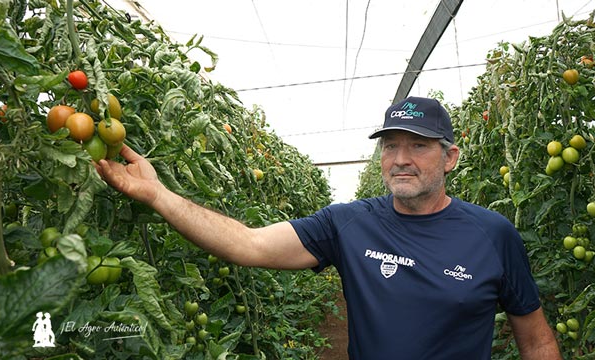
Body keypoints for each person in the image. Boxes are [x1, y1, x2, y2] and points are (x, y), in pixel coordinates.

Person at [95, 96, 562, 359]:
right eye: (390, 146)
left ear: (450, 157)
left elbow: (536, 338)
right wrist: (159, 196)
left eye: (418, 146)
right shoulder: (349, 223)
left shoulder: (492, 233)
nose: (401, 159)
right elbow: (248, 244)